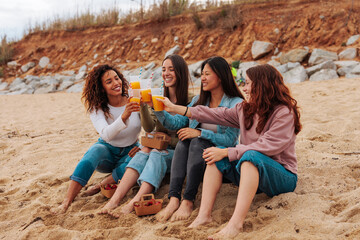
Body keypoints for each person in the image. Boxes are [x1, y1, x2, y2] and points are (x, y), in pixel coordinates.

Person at [159, 64, 301, 239]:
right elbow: (213, 114)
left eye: (248, 83)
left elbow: (268, 145)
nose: (244, 88)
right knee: (214, 153)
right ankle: (204, 216)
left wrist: (229, 152)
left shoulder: (283, 112)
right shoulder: (246, 109)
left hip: (282, 177)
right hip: (252, 176)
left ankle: (235, 225)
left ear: (262, 85)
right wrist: (174, 108)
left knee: (249, 156)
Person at [98, 54, 192, 216]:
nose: (166, 73)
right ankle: (115, 200)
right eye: (163, 69)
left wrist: (169, 140)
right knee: (144, 151)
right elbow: (149, 128)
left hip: (180, 154)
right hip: (159, 148)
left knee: (156, 152)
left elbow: (186, 133)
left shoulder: (191, 100)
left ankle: (136, 200)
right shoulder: (159, 96)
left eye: (171, 69)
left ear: (181, 72)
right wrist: (143, 106)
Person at [155, 56, 244, 222]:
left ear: (221, 75)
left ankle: (188, 201)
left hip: (219, 164)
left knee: (196, 140)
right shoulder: (198, 100)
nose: (202, 78)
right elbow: (174, 124)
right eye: (201, 73)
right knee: (184, 141)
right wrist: (158, 109)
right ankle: (174, 199)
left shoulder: (235, 103)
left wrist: (201, 133)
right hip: (196, 163)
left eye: (207, 74)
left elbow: (229, 140)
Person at [51, 64, 141, 214]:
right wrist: (124, 116)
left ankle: (100, 185)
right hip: (107, 152)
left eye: (117, 78)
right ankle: (66, 202)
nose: (116, 83)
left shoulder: (134, 100)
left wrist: (142, 145)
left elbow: (150, 127)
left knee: (138, 157)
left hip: (130, 150)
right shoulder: (97, 107)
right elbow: (105, 134)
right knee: (95, 150)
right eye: (109, 81)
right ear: (101, 88)